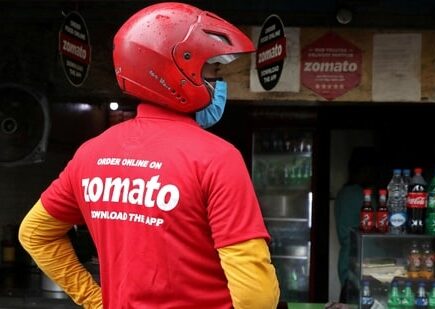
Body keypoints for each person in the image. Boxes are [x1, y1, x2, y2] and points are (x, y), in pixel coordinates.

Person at [18, 3, 279, 309]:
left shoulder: (91, 154)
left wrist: (96, 301)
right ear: (178, 70)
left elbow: (34, 234)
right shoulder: (217, 158)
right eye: (214, 70)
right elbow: (255, 297)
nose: (219, 83)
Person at [334, 146, 378, 303]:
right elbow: (376, 227)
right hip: (358, 262)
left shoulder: (344, 193)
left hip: (347, 262)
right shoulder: (359, 195)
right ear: (366, 170)